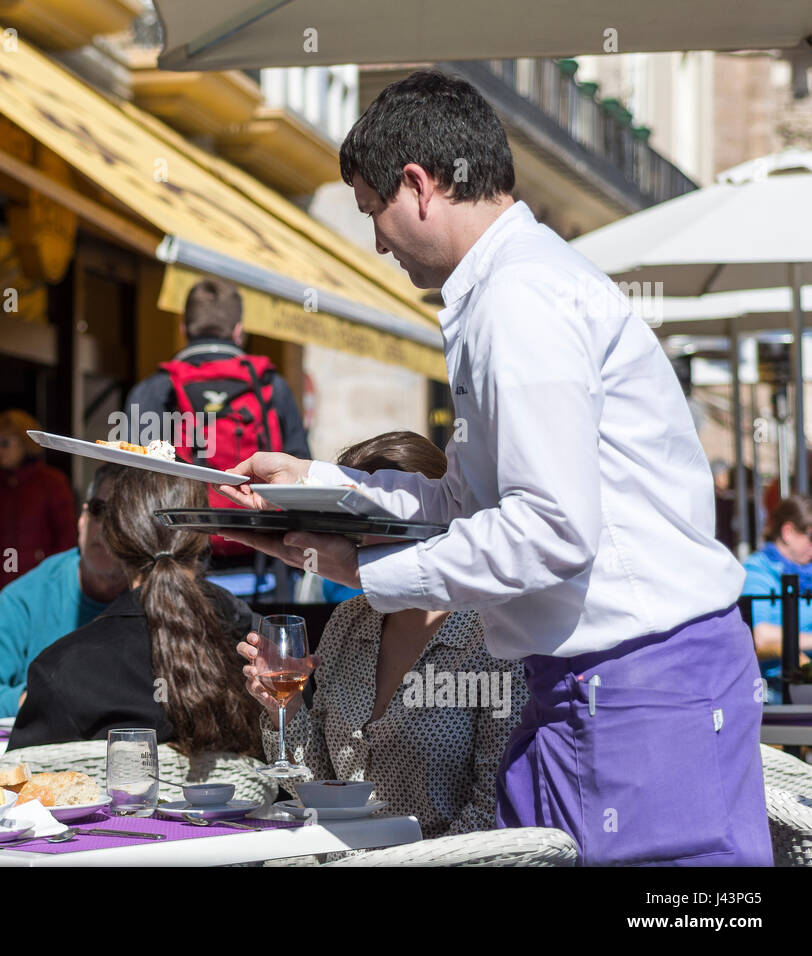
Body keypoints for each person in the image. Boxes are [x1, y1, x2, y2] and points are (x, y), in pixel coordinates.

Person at [220, 70, 769, 865]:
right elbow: (465, 498)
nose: (377, 240)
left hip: (637, 689)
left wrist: (366, 572)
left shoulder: (520, 298)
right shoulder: (511, 289)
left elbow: (551, 532)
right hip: (602, 688)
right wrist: (320, 485)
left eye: (373, 212)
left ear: (417, 186)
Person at [237, 432, 525, 839]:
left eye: (371, 518)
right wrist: (283, 707)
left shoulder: (493, 636)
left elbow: (495, 808)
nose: (353, 537)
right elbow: (317, 788)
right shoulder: (350, 620)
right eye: (345, 518)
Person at [7, 468, 262, 755]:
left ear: (113, 538)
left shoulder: (61, 670)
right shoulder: (258, 650)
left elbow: (21, 790)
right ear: (204, 537)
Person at [126, 278, 311, 601]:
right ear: (239, 331)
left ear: (183, 328)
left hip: (182, 572)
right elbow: (302, 477)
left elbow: (134, 484)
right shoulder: (272, 388)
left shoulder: (155, 390)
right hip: (264, 571)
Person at [0, 463, 129, 719]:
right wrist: (29, 701)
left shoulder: (159, 594)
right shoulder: (28, 596)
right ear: (83, 517)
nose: (108, 526)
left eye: (122, 515)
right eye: (100, 510)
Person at [0, 410, 77, 600]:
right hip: (0, 586)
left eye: (5, 443)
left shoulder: (51, 481)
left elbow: (67, 539)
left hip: (41, 585)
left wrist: (51, 577)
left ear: (25, 444)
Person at [741, 495, 812, 697]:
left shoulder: (807, 570)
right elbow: (760, 636)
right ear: (788, 532)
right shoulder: (756, 571)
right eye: (811, 537)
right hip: (775, 692)